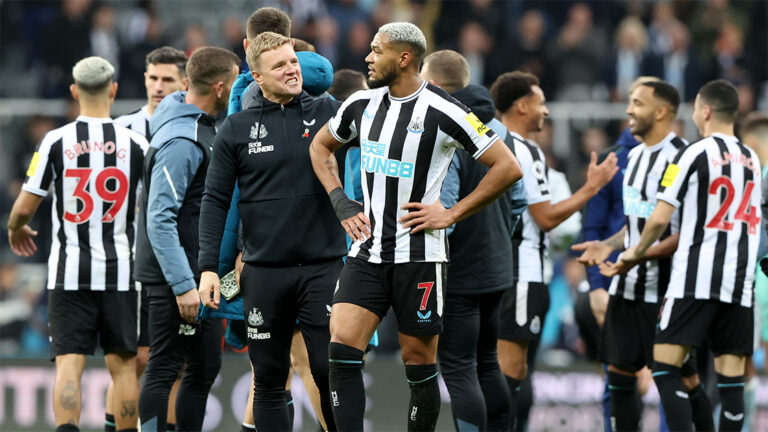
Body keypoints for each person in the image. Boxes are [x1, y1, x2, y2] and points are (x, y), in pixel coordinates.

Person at [309, 22, 523, 431]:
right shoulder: (360, 104)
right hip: (367, 252)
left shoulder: (446, 109)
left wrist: (451, 213)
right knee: (339, 352)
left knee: (419, 364)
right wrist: (340, 200)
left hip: (420, 258)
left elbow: (507, 167)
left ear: (404, 58)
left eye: (377, 50)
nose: (368, 58)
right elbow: (320, 146)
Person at [197, 32, 345, 432]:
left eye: (293, 62)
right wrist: (210, 267)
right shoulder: (236, 129)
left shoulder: (330, 112)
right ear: (256, 77)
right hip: (263, 273)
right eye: (279, 65)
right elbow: (215, 201)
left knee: (327, 369)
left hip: (324, 267)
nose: (291, 70)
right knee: (268, 379)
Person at [7, 56, 148, 432]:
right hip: (121, 271)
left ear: (73, 92)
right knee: (123, 368)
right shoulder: (137, 144)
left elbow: (23, 207)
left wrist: (15, 227)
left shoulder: (54, 141)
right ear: (114, 90)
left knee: (70, 364)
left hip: (69, 272)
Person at [619, 79, 759, 431]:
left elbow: (660, 217)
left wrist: (635, 252)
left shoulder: (692, 153)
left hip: (695, 278)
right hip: (739, 282)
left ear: (706, 111)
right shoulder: (752, 159)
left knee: (666, 366)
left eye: (696, 108)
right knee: (731, 382)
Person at [578, 81, 714, 431]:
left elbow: (684, 232)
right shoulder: (633, 157)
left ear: (661, 111)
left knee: (683, 380)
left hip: (668, 293)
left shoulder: (684, 157)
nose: (628, 110)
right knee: (619, 376)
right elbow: (637, 225)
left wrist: (639, 256)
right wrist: (609, 245)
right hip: (627, 289)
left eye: (637, 103)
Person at [489, 71, 617, 430]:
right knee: (512, 372)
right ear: (523, 105)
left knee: (496, 369)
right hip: (522, 273)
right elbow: (545, 218)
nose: (546, 112)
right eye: (541, 103)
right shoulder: (525, 150)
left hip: (494, 269)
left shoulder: (485, 143)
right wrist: (590, 189)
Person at [135, 46, 240, 432]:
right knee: (164, 366)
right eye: (233, 81)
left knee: (205, 366)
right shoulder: (183, 139)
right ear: (218, 86)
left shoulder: (201, 123)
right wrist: (182, 286)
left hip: (201, 274)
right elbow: (158, 218)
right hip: (175, 278)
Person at [420, 49, 526, 431]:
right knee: (487, 361)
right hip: (497, 266)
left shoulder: (445, 129)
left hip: (460, 269)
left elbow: (443, 210)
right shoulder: (499, 130)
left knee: (459, 367)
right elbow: (519, 202)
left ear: (432, 84)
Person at [108, 45, 187, 432]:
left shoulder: (193, 128)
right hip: (129, 261)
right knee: (132, 359)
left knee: (171, 362)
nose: (158, 86)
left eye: (167, 79)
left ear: (185, 82)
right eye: (153, 78)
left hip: (172, 262)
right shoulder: (121, 130)